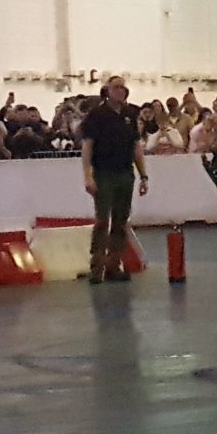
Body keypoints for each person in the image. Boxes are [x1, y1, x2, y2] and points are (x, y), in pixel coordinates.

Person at [79, 78, 147, 284]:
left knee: (121, 221)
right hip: (104, 173)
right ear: (107, 90)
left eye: (123, 87)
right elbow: (88, 146)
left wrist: (143, 175)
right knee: (102, 220)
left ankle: (114, 265)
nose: (120, 91)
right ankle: (96, 266)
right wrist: (88, 175)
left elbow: (136, 146)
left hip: (125, 173)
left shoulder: (130, 114)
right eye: (116, 87)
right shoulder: (96, 115)